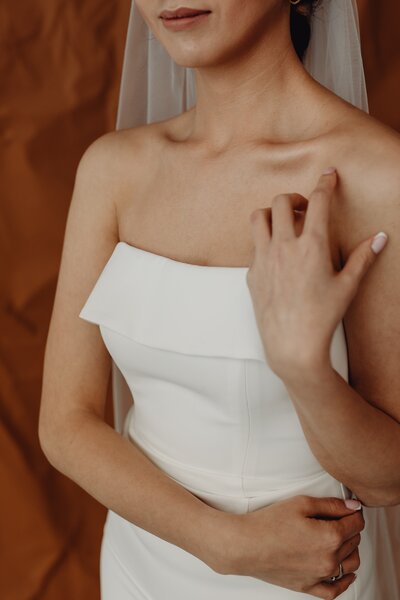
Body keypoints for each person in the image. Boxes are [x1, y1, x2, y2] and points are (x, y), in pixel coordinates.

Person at [38, 0, 400, 598]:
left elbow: (387, 482)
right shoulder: (112, 171)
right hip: (143, 560)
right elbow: (64, 423)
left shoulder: (376, 176)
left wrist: (303, 368)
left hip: (306, 574)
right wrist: (223, 544)